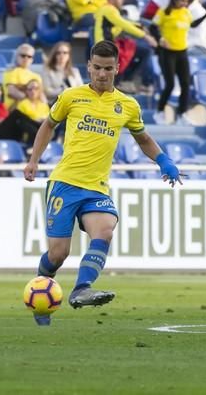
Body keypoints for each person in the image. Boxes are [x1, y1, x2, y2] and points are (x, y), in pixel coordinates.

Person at [23, 40, 183, 326]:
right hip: (64, 183)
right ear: (88, 67)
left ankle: (82, 289)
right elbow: (48, 125)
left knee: (106, 229)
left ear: (117, 69)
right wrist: (34, 160)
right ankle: (40, 295)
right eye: (96, 68)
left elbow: (143, 138)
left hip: (96, 188)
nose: (101, 74)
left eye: (108, 69)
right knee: (58, 254)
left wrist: (163, 160)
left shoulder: (127, 105)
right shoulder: (71, 96)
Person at [94, 0, 157, 91]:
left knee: (142, 50)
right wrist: (145, 36)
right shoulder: (108, 9)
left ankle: (125, 80)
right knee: (143, 50)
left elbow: (123, 22)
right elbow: (123, 24)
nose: (122, 0)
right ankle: (122, 80)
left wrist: (139, 26)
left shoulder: (111, 10)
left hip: (112, 44)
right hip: (104, 46)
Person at [151, 0, 199, 125]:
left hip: (182, 51)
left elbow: (193, 24)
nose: (184, 3)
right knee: (170, 84)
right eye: (182, 0)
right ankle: (159, 111)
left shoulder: (186, 12)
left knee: (185, 84)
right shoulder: (165, 12)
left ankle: (181, 114)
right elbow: (153, 27)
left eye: (186, 1)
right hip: (167, 52)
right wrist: (160, 39)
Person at [2, 43, 42, 109]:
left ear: (32, 59)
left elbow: (41, 96)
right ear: (17, 56)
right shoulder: (11, 72)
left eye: (29, 56)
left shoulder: (37, 76)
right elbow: (11, 91)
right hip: (15, 111)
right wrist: (29, 101)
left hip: (34, 110)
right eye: (23, 55)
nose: (26, 58)